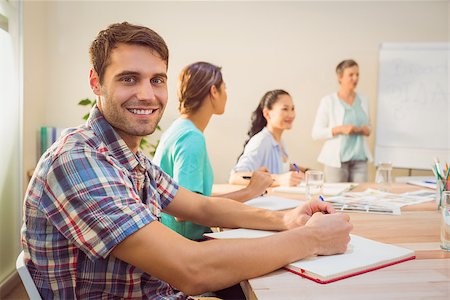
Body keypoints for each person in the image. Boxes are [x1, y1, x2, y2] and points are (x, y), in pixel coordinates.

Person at [21, 22, 352, 299]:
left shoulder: (128, 155)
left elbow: (200, 207)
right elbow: (191, 269)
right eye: (128, 78)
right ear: (96, 82)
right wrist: (312, 238)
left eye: (157, 79)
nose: (148, 94)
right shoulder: (78, 160)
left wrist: (285, 221)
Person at [153, 61, 273, 241]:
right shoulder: (191, 138)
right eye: (224, 88)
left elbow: (192, 198)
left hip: (175, 239)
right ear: (214, 91)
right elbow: (184, 211)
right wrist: (251, 191)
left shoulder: (179, 128)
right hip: (188, 244)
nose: (227, 94)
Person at [311, 59, 373, 183]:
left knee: (360, 198)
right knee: (336, 199)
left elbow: (369, 127)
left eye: (357, 74)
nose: (355, 78)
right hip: (336, 162)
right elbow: (316, 133)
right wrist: (340, 129)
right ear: (340, 77)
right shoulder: (328, 101)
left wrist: (363, 129)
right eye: (351, 75)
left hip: (360, 160)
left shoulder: (364, 100)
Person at [230, 89, 306, 186]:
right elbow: (235, 177)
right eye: (285, 109)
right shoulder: (261, 141)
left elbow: (279, 167)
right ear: (267, 113)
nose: (291, 114)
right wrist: (278, 180)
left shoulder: (279, 141)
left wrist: (305, 171)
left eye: (292, 109)